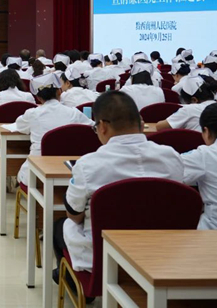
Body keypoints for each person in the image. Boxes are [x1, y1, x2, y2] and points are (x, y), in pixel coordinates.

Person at [55, 91, 185, 275]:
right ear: (140, 121)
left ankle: (80, 287)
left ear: (102, 126)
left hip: (106, 260)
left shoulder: (88, 165)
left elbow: (74, 215)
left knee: (59, 227)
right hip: (163, 255)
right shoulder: (171, 156)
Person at [15, 73, 94, 162]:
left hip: (37, 166)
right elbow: (93, 128)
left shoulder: (32, 113)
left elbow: (20, 126)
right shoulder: (74, 112)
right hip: (69, 165)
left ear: (38, 98)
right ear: (59, 92)